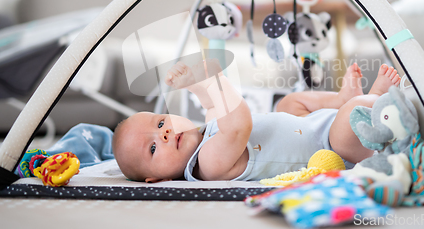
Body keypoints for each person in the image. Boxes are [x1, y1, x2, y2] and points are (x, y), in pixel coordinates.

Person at [112, 59, 401, 183]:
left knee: (289, 103)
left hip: (311, 124)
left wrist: (195, 86)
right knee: (352, 115)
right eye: (152, 148)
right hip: (332, 148)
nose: (163, 135)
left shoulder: (204, 135)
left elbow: (213, 106)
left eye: (161, 123)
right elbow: (238, 126)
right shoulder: (207, 165)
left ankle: (340, 102)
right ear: (157, 179)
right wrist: (215, 80)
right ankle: (372, 100)